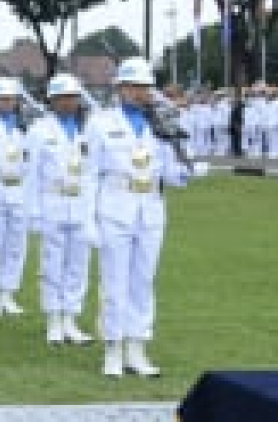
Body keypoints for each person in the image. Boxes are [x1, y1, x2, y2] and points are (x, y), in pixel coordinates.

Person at [86, 57, 191, 377]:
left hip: (150, 207)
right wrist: (88, 220)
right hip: (114, 205)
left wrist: (185, 168)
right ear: (119, 89)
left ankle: (137, 347)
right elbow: (90, 174)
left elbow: (169, 174)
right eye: (132, 86)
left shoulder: (160, 124)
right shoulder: (100, 123)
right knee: (114, 281)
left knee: (143, 281)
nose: (138, 92)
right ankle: (113, 349)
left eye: (144, 87)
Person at [27, 73, 97, 345]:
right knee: (52, 264)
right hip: (52, 204)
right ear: (52, 100)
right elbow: (30, 174)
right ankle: (54, 320)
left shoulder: (86, 130)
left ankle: (71, 318)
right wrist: (33, 212)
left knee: (78, 265)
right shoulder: (39, 131)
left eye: (73, 97)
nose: (69, 102)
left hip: (79, 204)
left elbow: (91, 174)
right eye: (63, 98)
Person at [0, 76, 30, 318]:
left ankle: (9, 293)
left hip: (18, 189)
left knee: (16, 245)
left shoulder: (24, 127)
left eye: (11, 99)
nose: (7, 103)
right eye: (2, 99)